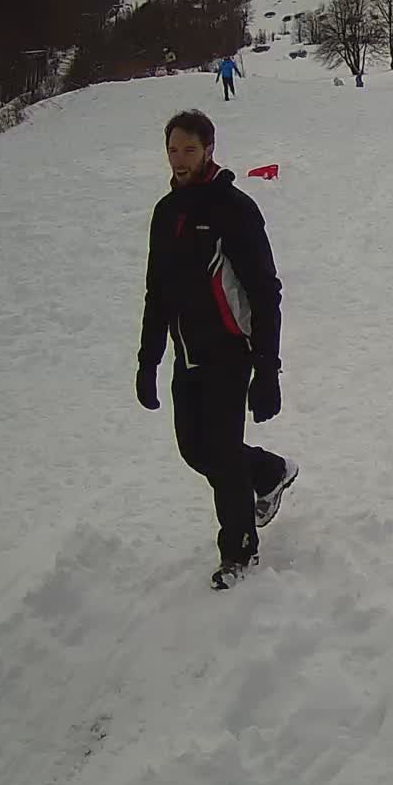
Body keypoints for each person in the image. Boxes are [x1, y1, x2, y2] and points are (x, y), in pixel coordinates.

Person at [136, 109, 299, 589]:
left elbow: (265, 290)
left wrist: (267, 369)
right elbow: (157, 291)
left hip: (230, 351)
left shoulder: (233, 208)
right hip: (187, 354)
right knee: (194, 448)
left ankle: (239, 552)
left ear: (208, 149)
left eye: (189, 149)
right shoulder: (166, 214)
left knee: (224, 454)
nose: (179, 159)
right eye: (172, 149)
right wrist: (148, 360)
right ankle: (269, 471)